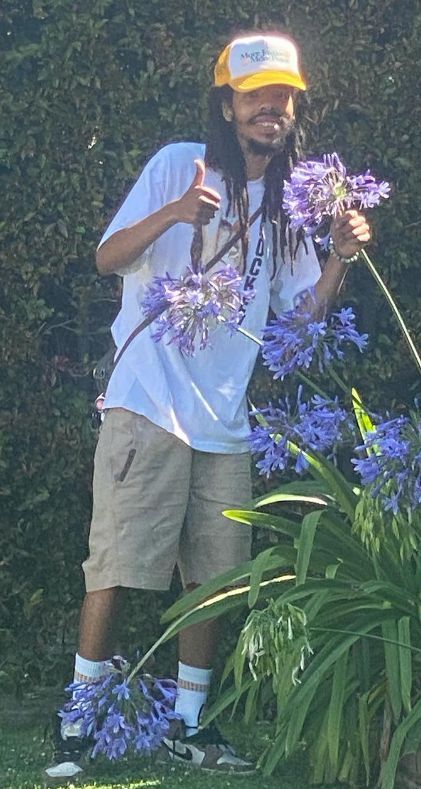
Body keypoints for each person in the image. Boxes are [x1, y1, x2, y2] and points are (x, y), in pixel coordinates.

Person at [44, 31, 370, 782]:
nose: (271, 107)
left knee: (216, 580)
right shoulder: (173, 165)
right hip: (147, 401)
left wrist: (341, 257)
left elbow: (301, 318)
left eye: (283, 96)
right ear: (226, 104)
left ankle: (189, 724)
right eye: (255, 94)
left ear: (293, 108)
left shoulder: (290, 205)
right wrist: (176, 214)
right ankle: (78, 721)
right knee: (117, 566)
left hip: (223, 420)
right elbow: (104, 259)